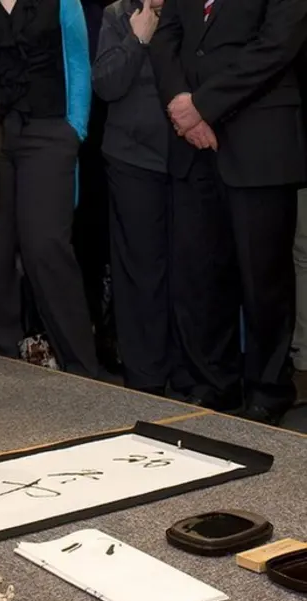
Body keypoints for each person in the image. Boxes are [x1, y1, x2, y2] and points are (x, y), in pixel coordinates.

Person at [149, 0, 307, 424]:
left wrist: (204, 104)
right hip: (190, 142)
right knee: (198, 275)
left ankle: (268, 389)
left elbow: (278, 44)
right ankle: (212, 385)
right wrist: (181, 103)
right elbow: (165, 38)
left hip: (259, 140)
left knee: (264, 279)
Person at [0, 0, 100, 378]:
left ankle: (81, 368)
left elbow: (78, 62)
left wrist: (74, 129)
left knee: (45, 246)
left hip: (48, 133)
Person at [93, 0, 172, 396]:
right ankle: (144, 377)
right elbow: (105, 84)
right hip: (131, 160)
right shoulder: (117, 15)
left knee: (190, 272)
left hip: (188, 158)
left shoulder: (190, 14)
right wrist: (136, 39)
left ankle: (190, 373)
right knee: (138, 274)